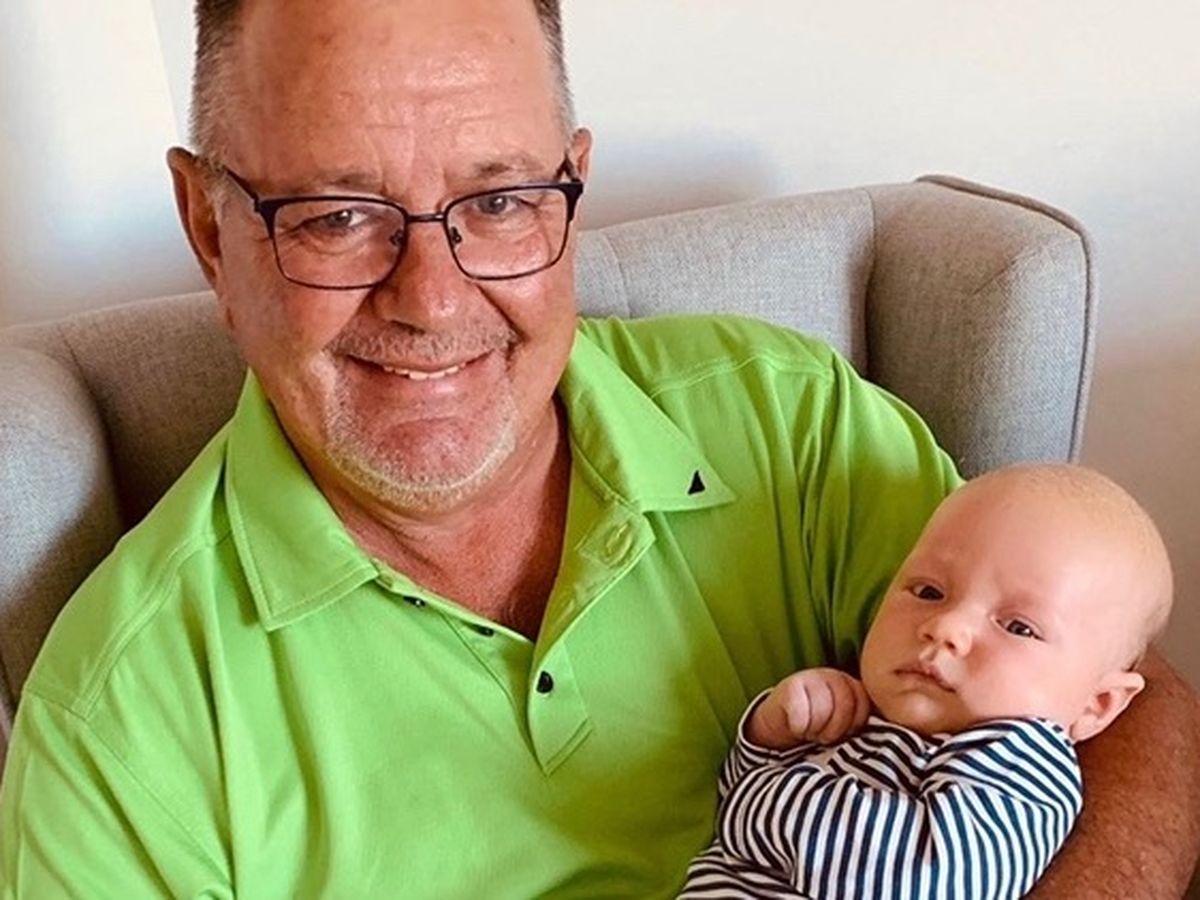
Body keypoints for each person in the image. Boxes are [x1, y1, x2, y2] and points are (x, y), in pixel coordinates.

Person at [0, 0, 1197, 896]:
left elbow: (1120, 705)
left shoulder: (786, 420)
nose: (433, 300)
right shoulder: (123, 723)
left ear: (572, 187)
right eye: (338, 216)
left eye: (499, 201)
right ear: (211, 231)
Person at [680, 464, 1173, 899]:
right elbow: (731, 795)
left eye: (1018, 627)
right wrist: (769, 735)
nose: (946, 627)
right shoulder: (862, 714)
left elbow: (922, 882)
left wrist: (761, 797)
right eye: (929, 591)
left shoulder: (1022, 761)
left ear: (1097, 704)